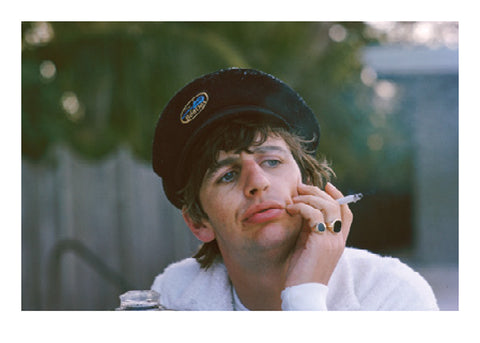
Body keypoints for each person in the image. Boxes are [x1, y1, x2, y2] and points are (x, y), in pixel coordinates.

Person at [150, 68, 438, 310]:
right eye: (226, 175)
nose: (257, 182)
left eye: (272, 161)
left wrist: (305, 295)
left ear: (309, 183)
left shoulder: (393, 296)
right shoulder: (172, 295)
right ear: (199, 222)